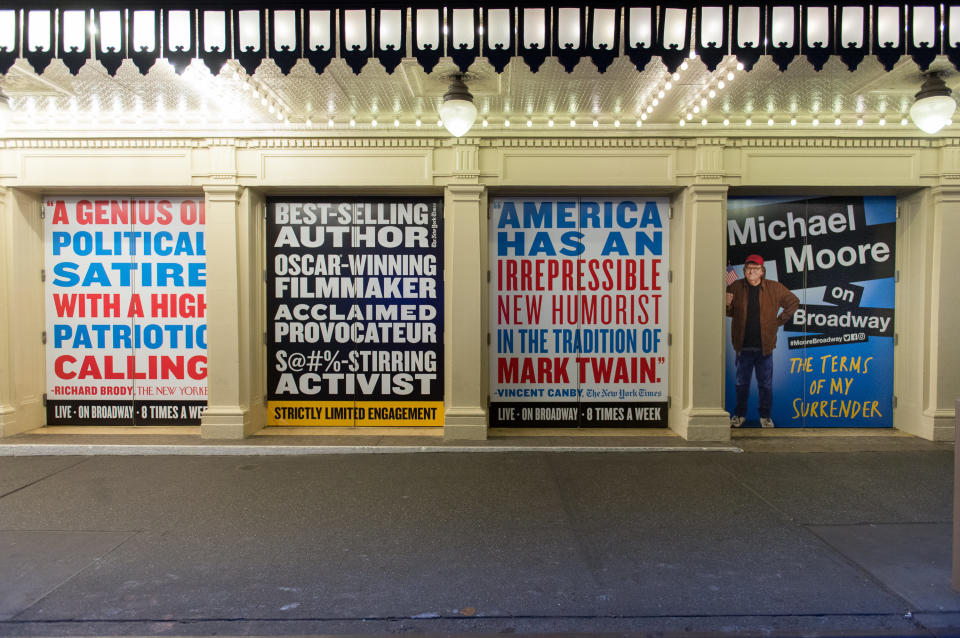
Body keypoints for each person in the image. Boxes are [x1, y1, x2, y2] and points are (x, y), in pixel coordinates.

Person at [726, 255, 799, 428]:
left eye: (756, 269)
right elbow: (729, 313)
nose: (752, 272)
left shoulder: (774, 288)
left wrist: (779, 321)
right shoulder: (736, 286)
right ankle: (739, 415)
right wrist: (727, 304)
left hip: (764, 347)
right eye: (749, 268)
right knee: (741, 384)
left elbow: (793, 302)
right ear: (744, 271)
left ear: (762, 271)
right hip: (742, 347)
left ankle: (765, 416)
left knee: (765, 384)